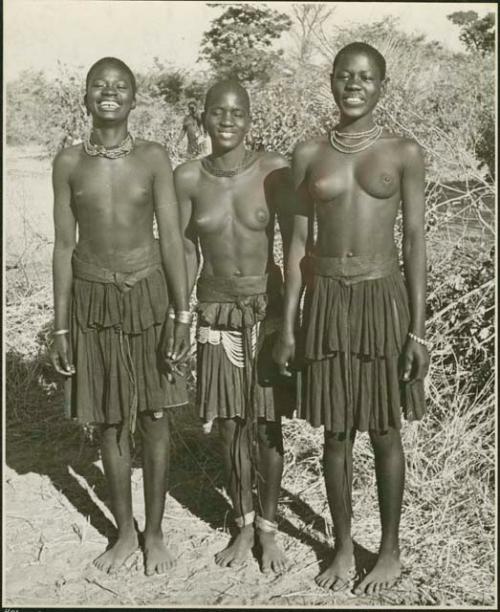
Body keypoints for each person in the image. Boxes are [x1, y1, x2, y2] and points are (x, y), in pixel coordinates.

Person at [273, 42, 430, 594]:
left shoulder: (404, 152)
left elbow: (414, 241)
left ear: (383, 85)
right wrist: (290, 325)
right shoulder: (307, 154)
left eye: (365, 77)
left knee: (385, 430)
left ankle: (387, 552)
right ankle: (341, 547)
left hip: (382, 298)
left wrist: (418, 329)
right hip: (327, 301)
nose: (353, 85)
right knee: (335, 434)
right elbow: (295, 246)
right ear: (332, 82)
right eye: (344, 76)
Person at [50, 57, 191, 576]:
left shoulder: (155, 158)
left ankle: (155, 533)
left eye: (120, 86)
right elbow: (65, 247)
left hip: (149, 296)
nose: (109, 92)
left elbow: (172, 238)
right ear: (85, 96)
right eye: (99, 85)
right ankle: (125, 533)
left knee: (155, 417)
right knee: (110, 421)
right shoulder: (67, 163)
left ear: (135, 97)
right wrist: (61, 325)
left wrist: (181, 312)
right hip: (92, 299)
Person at [174, 80, 295, 573]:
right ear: (203, 118)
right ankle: (242, 524)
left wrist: (291, 321)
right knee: (228, 425)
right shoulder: (187, 178)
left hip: (265, 310)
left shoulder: (274, 172)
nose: (227, 120)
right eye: (217, 112)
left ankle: (269, 530)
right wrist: (182, 314)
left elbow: (295, 247)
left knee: (266, 425)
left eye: (237, 112)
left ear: (250, 117)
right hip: (215, 310)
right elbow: (185, 250)